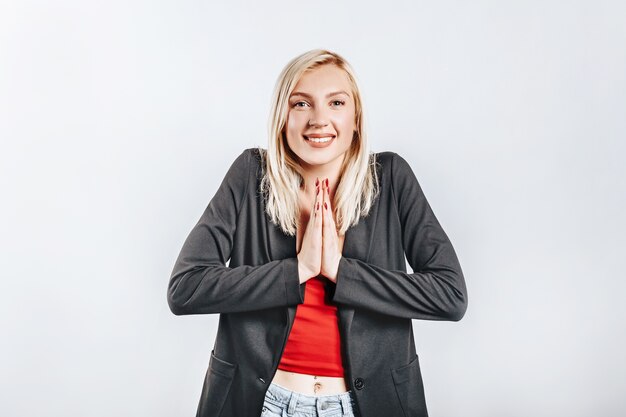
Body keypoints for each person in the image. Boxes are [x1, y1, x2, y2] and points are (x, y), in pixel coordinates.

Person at [168, 49, 468, 417]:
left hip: (367, 406)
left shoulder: (391, 179)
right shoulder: (251, 176)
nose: (319, 119)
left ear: (356, 118)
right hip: (263, 403)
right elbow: (185, 288)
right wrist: (298, 270)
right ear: (283, 117)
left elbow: (450, 295)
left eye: (336, 102)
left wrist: (342, 273)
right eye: (301, 104)